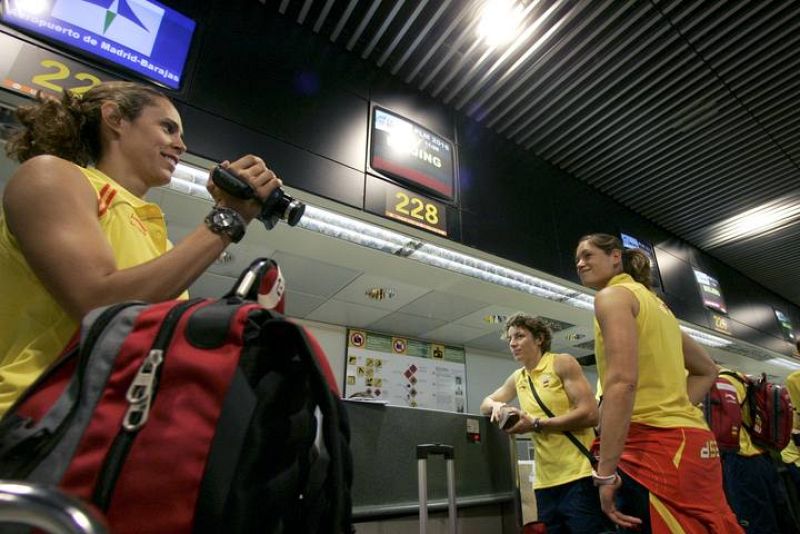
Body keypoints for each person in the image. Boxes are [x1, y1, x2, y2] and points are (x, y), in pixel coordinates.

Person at [0, 82, 281, 415]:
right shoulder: (53, 176)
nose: (181, 144)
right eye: (167, 128)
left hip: (110, 432)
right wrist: (227, 218)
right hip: (33, 426)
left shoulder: (160, 240)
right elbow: (99, 306)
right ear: (115, 118)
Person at [575, 233, 741, 533]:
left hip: (654, 449)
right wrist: (674, 406)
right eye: (577, 258)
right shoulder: (658, 306)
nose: (580, 262)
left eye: (588, 255)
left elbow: (622, 382)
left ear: (615, 256)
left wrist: (606, 474)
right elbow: (706, 370)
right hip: (695, 441)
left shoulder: (612, 297)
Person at [480, 313, 612, 533]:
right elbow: (486, 402)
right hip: (545, 482)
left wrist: (536, 424)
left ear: (539, 339)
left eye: (520, 336)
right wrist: (497, 406)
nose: (513, 343)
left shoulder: (561, 363)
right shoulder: (518, 377)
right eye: (510, 338)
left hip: (578, 476)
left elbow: (590, 414)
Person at [717, 367, 791, 533]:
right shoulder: (741, 378)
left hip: (740, 458)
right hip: (762, 454)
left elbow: (723, 427)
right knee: (780, 512)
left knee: (755, 520)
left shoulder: (720, 384)